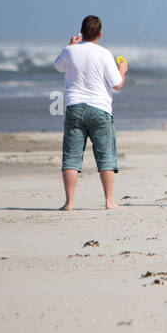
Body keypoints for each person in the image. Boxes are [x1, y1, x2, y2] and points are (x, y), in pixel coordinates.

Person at [53, 15, 126, 210]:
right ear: (100, 34)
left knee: (71, 155)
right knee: (105, 155)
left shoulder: (70, 51)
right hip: (99, 108)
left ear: (81, 32)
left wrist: (70, 46)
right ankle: (109, 201)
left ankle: (69, 202)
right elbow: (117, 84)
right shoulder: (104, 53)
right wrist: (122, 70)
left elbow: (58, 66)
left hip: (75, 107)